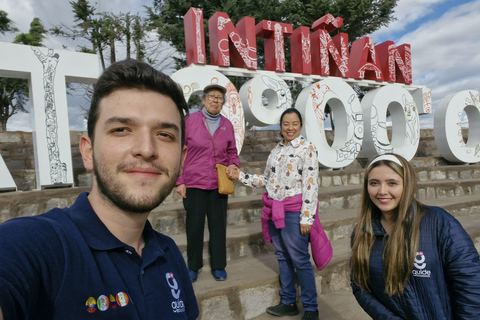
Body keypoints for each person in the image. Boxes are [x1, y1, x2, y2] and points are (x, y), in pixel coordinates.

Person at [0, 59, 199, 319]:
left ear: (182, 159)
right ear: (88, 151)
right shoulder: (33, 245)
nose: (147, 149)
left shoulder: (169, 252)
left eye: (165, 135)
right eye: (121, 130)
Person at [350, 153, 480, 319]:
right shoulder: (361, 232)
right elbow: (359, 286)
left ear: (407, 185)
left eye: (392, 183)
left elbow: (471, 284)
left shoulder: (438, 222)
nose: (382, 191)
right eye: (374, 183)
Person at [228, 108, 320, 320]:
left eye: (294, 123)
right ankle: (288, 302)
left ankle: (311, 307)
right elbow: (267, 180)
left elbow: (311, 184)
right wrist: (240, 176)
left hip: (294, 212)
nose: (290, 128)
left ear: (300, 125)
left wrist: (307, 217)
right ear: (280, 126)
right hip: (275, 211)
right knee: (282, 257)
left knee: (300, 260)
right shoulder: (275, 151)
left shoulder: (307, 148)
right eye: (286, 124)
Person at [175, 84, 239, 282]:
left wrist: (234, 166)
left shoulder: (227, 125)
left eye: (219, 98)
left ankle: (219, 266)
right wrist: (180, 181)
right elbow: (179, 152)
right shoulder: (189, 121)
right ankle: (193, 266)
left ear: (223, 102)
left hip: (219, 184)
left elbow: (232, 153)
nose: (215, 100)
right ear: (203, 100)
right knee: (194, 227)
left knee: (218, 226)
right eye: (211, 96)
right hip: (194, 183)